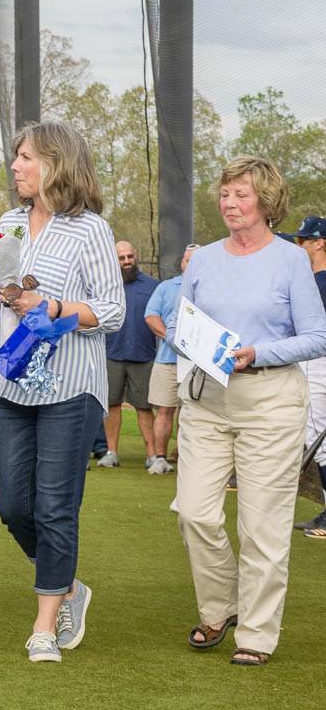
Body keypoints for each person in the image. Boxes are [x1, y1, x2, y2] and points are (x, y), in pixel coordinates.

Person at [0, 120, 125, 663]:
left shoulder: (91, 230)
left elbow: (114, 311)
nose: (16, 166)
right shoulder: (9, 224)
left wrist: (57, 309)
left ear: (56, 163)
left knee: (55, 508)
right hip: (8, 382)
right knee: (9, 502)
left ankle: (45, 625)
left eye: (26, 157)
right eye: (16, 157)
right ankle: (70, 585)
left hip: (71, 389)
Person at [169, 157, 326, 666]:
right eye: (225, 193)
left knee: (262, 527)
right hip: (207, 400)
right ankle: (221, 607)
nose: (230, 203)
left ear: (266, 201)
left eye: (242, 194)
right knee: (194, 513)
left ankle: (255, 635)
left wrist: (258, 352)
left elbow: (317, 337)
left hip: (271, 401)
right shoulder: (206, 259)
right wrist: (190, 343)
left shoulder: (291, 261)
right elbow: (181, 326)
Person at [98, 241, 159, 468]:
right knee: (111, 406)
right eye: (121, 257)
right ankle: (111, 453)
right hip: (111, 353)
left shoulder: (153, 286)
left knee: (144, 407)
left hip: (143, 356)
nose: (126, 261)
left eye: (129, 256)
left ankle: (152, 455)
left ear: (136, 256)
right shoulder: (105, 287)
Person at [143, 244, 199, 474]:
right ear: (182, 263)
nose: (190, 265)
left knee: (192, 412)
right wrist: (173, 338)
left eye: (195, 261)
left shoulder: (212, 287)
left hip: (197, 364)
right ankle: (159, 459)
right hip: (167, 360)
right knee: (164, 411)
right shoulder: (166, 287)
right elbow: (150, 316)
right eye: (187, 261)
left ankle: (187, 458)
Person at [290, 215, 326, 537]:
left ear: (319, 242)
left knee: (319, 436)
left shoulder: (323, 281)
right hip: (312, 361)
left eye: (303, 240)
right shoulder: (314, 279)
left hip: (319, 363)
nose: (298, 245)